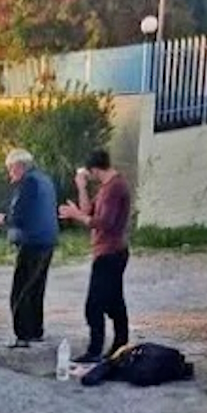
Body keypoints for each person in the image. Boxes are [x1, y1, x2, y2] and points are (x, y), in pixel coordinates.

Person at [58, 148, 133, 363]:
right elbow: (88, 211)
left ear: (94, 170)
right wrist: (81, 188)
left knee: (94, 305)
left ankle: (95, 350)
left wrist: (76, 215)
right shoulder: (107, 187)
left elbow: (104, 223)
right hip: (110, 251)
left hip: (110, 252)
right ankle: (121, 345)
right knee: (114, 302)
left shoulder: (114, 188)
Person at [0, 148, 59, 348]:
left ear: (19, 166)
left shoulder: (28, 183)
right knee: (36, 288)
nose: (9, 174)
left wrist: (3, 219)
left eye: (10, 168)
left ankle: (22, 335)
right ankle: (36, 330)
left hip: (32, 242)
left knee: (20, 291)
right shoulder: (45, 180)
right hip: (47, 240)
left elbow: (20, 215)